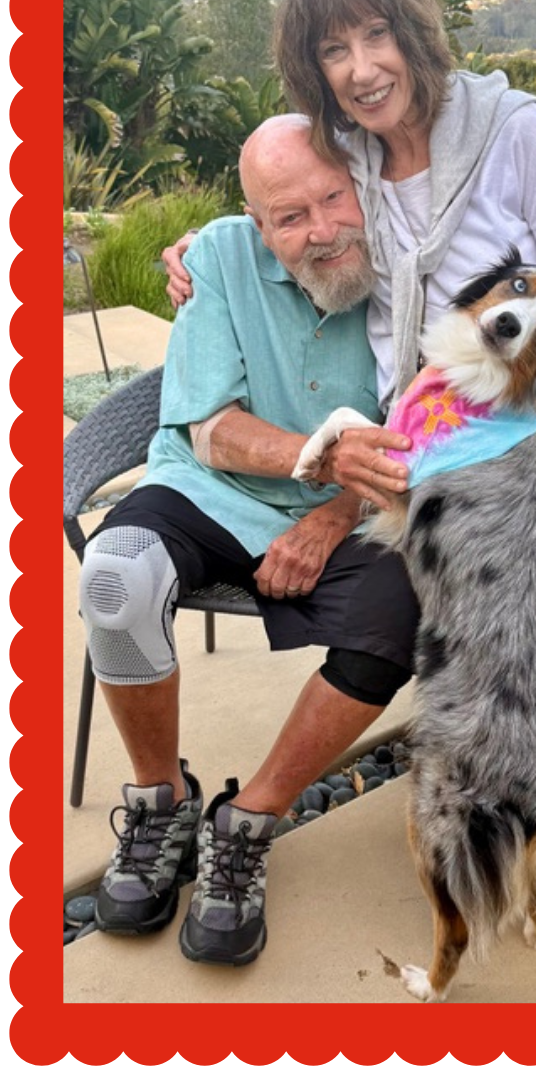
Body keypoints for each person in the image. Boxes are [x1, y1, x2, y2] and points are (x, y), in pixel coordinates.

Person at [165, 0, 536, 905]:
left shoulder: (515, 130)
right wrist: (201, 250)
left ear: (412, 32)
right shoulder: (348, 152)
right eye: (334, 52)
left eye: (376, 36)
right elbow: (274, 194)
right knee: (470, 620)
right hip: (431, 421)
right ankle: (515, 800)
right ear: (315, 70)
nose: (361, 68)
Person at [79, 114, 418, 967]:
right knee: (116, 579)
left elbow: (422, 437)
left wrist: (336, 509)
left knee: (404, 613)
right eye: (289, 216)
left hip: (349, 506)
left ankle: (249, 820)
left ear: (361, 184)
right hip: (210, 485)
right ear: (256, 220)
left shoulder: (415, 266)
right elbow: (213, 434)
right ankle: (162, 805)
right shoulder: (220, 257)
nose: (322, 230)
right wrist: (324, 457)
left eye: (332, 199)